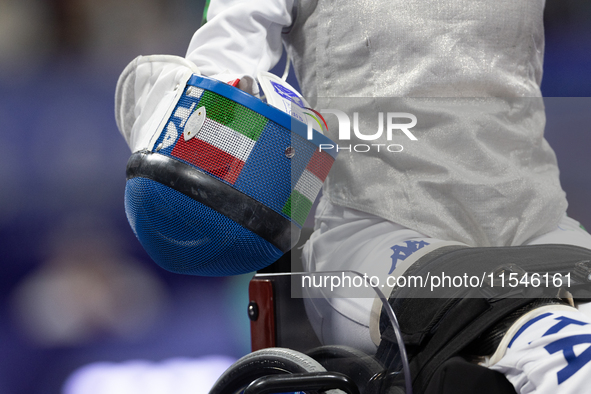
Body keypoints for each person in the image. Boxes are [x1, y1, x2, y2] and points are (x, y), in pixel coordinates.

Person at [117, 0, 591, 392]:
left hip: (539, 225)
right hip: (377, 236)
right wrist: (232, 110)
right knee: (561, 351)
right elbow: (216, 90)